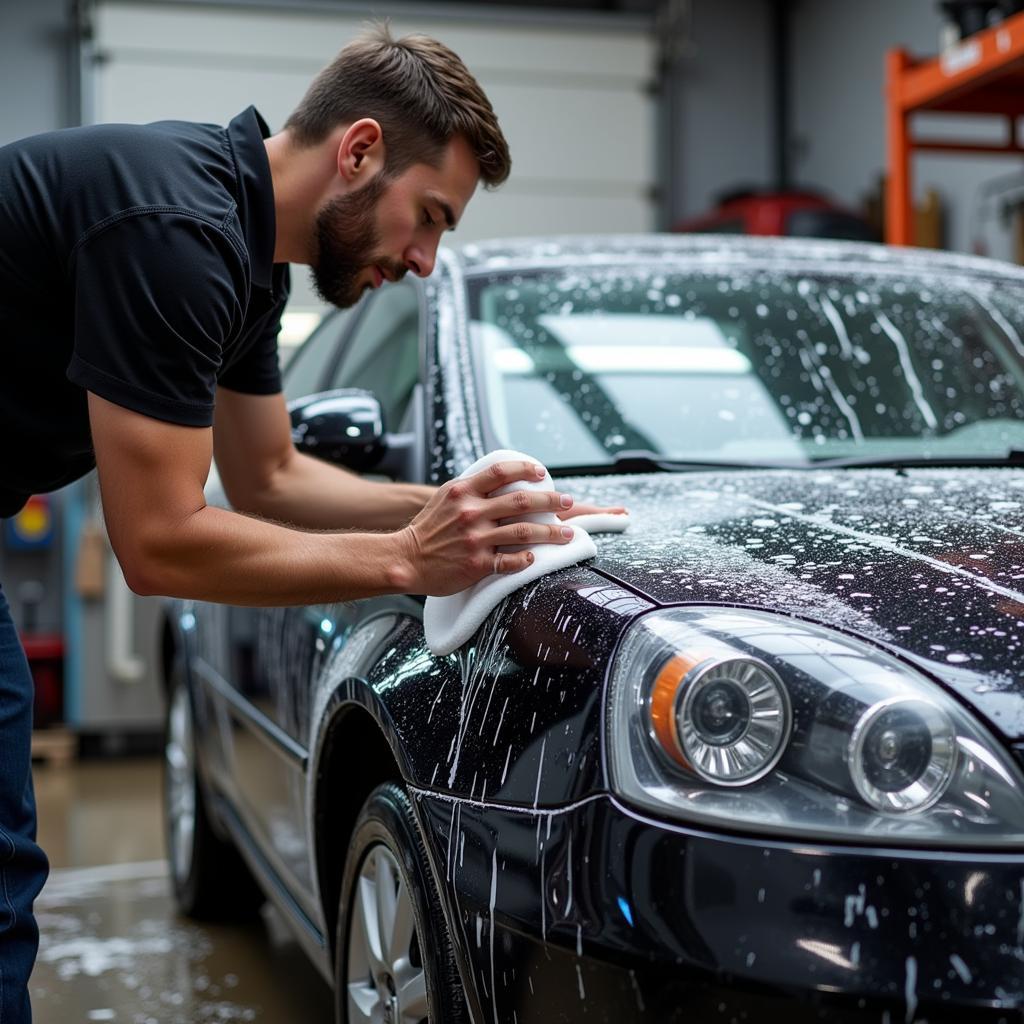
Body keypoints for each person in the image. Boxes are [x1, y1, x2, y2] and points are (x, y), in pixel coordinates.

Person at [0, 23, 622, 1022]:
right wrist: (407, 555)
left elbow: (274, 478)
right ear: (360, 150)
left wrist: (473, 514)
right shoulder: (181, 227)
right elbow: (158, 542)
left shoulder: (248, 264)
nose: (423, 260)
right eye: (427, 217)